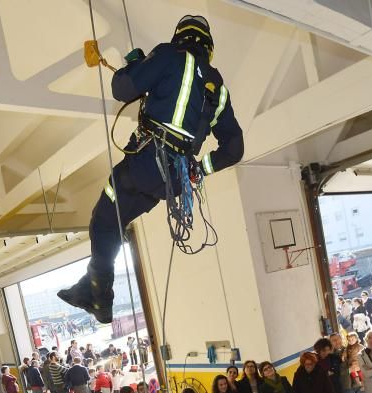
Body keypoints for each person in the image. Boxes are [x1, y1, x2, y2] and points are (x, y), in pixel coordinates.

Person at [57, 15, 244, 323]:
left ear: (180, 37)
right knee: (113, 224)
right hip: (171, 182)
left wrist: (137, 67)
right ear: (208, 47)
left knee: (104, 223)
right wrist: (200, 170)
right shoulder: (217, 89)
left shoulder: (170, 55)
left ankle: (100, 298)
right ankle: (88, 290)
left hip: (145, 163)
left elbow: (122, 88)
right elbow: (234, 149)